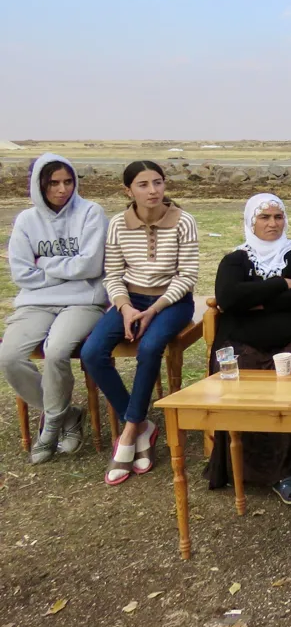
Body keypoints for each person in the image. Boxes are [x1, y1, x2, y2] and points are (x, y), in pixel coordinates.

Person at [81, 161, 198, 486]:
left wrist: (154, 309)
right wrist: (125, 307)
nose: (153, 190)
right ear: (128, 190)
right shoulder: (118, 224)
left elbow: (187, 275)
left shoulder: (184, 221)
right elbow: (113, 274)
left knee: (149, 348)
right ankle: (142, 424)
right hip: (130, 301)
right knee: (92, 353)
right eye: (143, 184)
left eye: (158, 182)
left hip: (172, 302)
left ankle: (130, 431)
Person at [204, 194, 291, 502]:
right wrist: (280, 284)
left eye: (278, 216)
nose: (273, 223)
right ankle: (246, 468)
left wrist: (257, 301)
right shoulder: (236, 259)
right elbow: (229, 298)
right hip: (243, 338)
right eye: (265, 217)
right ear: (251, 221)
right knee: (239, 377)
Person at [2, 154, 107, 464]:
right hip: (35, 301)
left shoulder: (91, 212)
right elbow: (22, 273)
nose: (62, 189)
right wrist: (68, 270)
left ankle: (50, 428)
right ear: (39, 185)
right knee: (9, 357)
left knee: (57, 351)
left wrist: (45, 263)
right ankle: (66, 414)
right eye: (53, 183)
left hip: (83, 300)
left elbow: (91, 265)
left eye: (68, 181)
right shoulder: (26, 220)